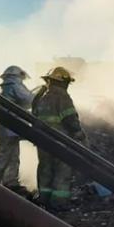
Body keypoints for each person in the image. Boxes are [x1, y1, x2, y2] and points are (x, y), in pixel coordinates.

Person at [32, 66, 85, 208]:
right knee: (62, 170)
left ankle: (44, 199)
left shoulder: (41, 97)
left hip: (42, 140)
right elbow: (69, 117)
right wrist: (78, 133)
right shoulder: (62, 96)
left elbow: (34, 115)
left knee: (45, 169)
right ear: (63, 82)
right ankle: (59, 202)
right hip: (60, 140)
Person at [0, 66, 34, 190]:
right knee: (5, 154)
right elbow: (29, 100)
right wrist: (36, 95)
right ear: (18, 75)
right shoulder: (15, 85)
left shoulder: (8, 86)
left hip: (10, 126)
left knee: (13, 155)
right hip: (10, 126)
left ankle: (10, 182)